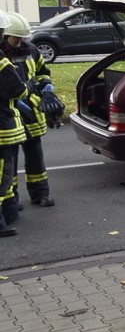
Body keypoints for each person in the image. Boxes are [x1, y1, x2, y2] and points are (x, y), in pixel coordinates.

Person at [2, 12, 55, 210]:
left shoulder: (31, 50)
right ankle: (11, 200)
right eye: (17, 38)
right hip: (11, 113)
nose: (20, 42)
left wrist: (47, 87)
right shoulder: (1, 54)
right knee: (10, 160)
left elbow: (42, 73)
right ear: (6, 35)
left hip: (31, 112)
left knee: (35, 157)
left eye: (23, 37)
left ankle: (40, 194)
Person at [0, 12, 28, 237]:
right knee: (3, 176)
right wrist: (28, 89)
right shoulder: (1, 61)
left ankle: (9, 213)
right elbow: (17, 88)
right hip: (3, 127)